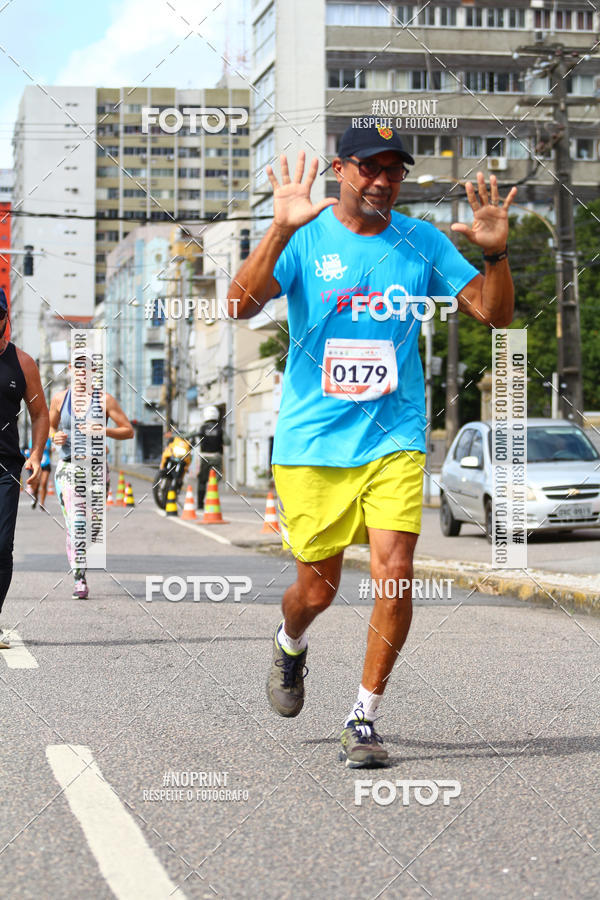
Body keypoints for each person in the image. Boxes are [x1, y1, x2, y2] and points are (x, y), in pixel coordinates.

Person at [227, 123, 516, 767]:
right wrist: (277, 229)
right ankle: (290, 641)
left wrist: (496, 256)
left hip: (395, 437)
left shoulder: (422, 241)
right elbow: (238, 305)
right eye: (370, 167)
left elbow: (494, 316)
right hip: (312, 443)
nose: (383, 180)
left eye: (395, 170)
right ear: (341, 169)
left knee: (395, 570)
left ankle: (363, 714)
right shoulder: (303, 236)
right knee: (318, 590)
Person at [49, 354, 134, 600]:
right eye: (78, 369)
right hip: (68, 469)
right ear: (70, 370)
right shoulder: (59, 399)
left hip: (96, 469)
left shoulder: (104, 400)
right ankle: (79, 578)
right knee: (77, 524)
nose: (82, 374)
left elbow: (127, 431)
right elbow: (50, 427)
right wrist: (55, 437)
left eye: (87, 369)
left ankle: (80, 563)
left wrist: (103, 429)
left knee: (90, 528)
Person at [0, 288, 49, 648]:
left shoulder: (23, 363)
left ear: (5, 318)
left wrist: (35, 454)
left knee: (1, 547)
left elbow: (39, 413)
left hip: (5, 467)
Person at [195, 405, 229, 510]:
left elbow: (192, 435)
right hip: (217, 457)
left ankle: (200, 504)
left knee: (202, 481)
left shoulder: (201, 428)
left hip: (204, 457)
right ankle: (212, 502)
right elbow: (228, 442)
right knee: (215, 480)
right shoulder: (220, 429)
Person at [29, 436, 52, 509]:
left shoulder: (48, 439)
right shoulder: (34, 437)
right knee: (36, 485)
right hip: (37, 464)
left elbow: (51, 450)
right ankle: (35, 498)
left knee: (44, 482)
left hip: (46, 463)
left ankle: (42, 503)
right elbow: (30, 450)